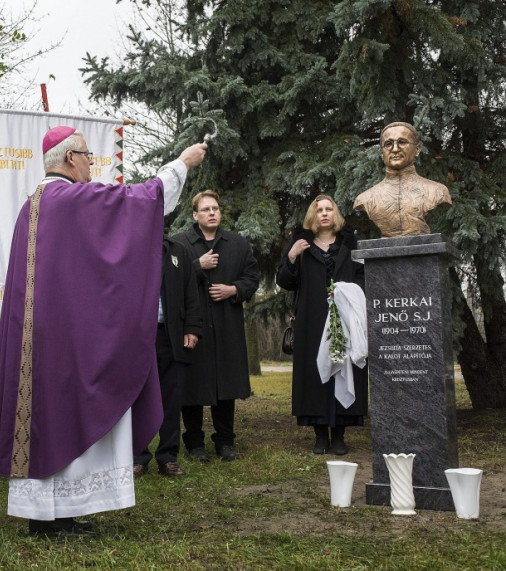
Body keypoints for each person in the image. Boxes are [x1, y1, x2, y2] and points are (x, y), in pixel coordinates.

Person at [0, 125, 206, 536]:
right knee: (65, 416)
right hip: (63, 342)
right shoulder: (69, 199)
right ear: (70, 158)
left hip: (38, 340)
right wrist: (182, 163)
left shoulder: (33, 205)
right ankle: (55, 519)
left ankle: (48, 515)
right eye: (88, 157)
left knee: (47, 420)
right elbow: (142, 202)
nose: (91, 164)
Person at [276, 195, 367, 454]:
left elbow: (363, 277)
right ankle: (320, 435)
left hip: (344, 317)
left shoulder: (349, 243)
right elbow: (285, 281)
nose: (324, 214)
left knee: (343, 369)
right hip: (312, 320)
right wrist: (291, 256)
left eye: (329, 209)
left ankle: (339, 435)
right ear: (312, 216)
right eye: (319, 210)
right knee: (316, 374)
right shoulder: (301, 244)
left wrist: (347, 292)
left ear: (335, 214)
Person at [173, 190, 259, 462]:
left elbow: (252, 277)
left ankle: (225, 441)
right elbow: (169, 280)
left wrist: (233, 289)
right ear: (195, 214)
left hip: (226, 323)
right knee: (193, 385)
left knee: (225, 385)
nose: (212, 213)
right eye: (205, 209)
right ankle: (194, 443)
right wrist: (197, 265)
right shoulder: (180, 244)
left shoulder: (237, 243)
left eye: (215, 208)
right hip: (193, 325)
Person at [133, 236, 202, 478]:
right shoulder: (127, 246)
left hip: (170, 336)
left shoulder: (177, 251)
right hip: (136, 337)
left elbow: (190, 292)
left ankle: (168, 457)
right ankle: (137, 457)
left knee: (171, 398)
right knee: (136, 397)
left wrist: (192, 328)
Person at [353, 122, 452, 237]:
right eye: (388, 144)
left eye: (402, 142)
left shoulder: (437, 191)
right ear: (382, 153)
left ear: (417, 149)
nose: (395, 149)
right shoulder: (365, 199)